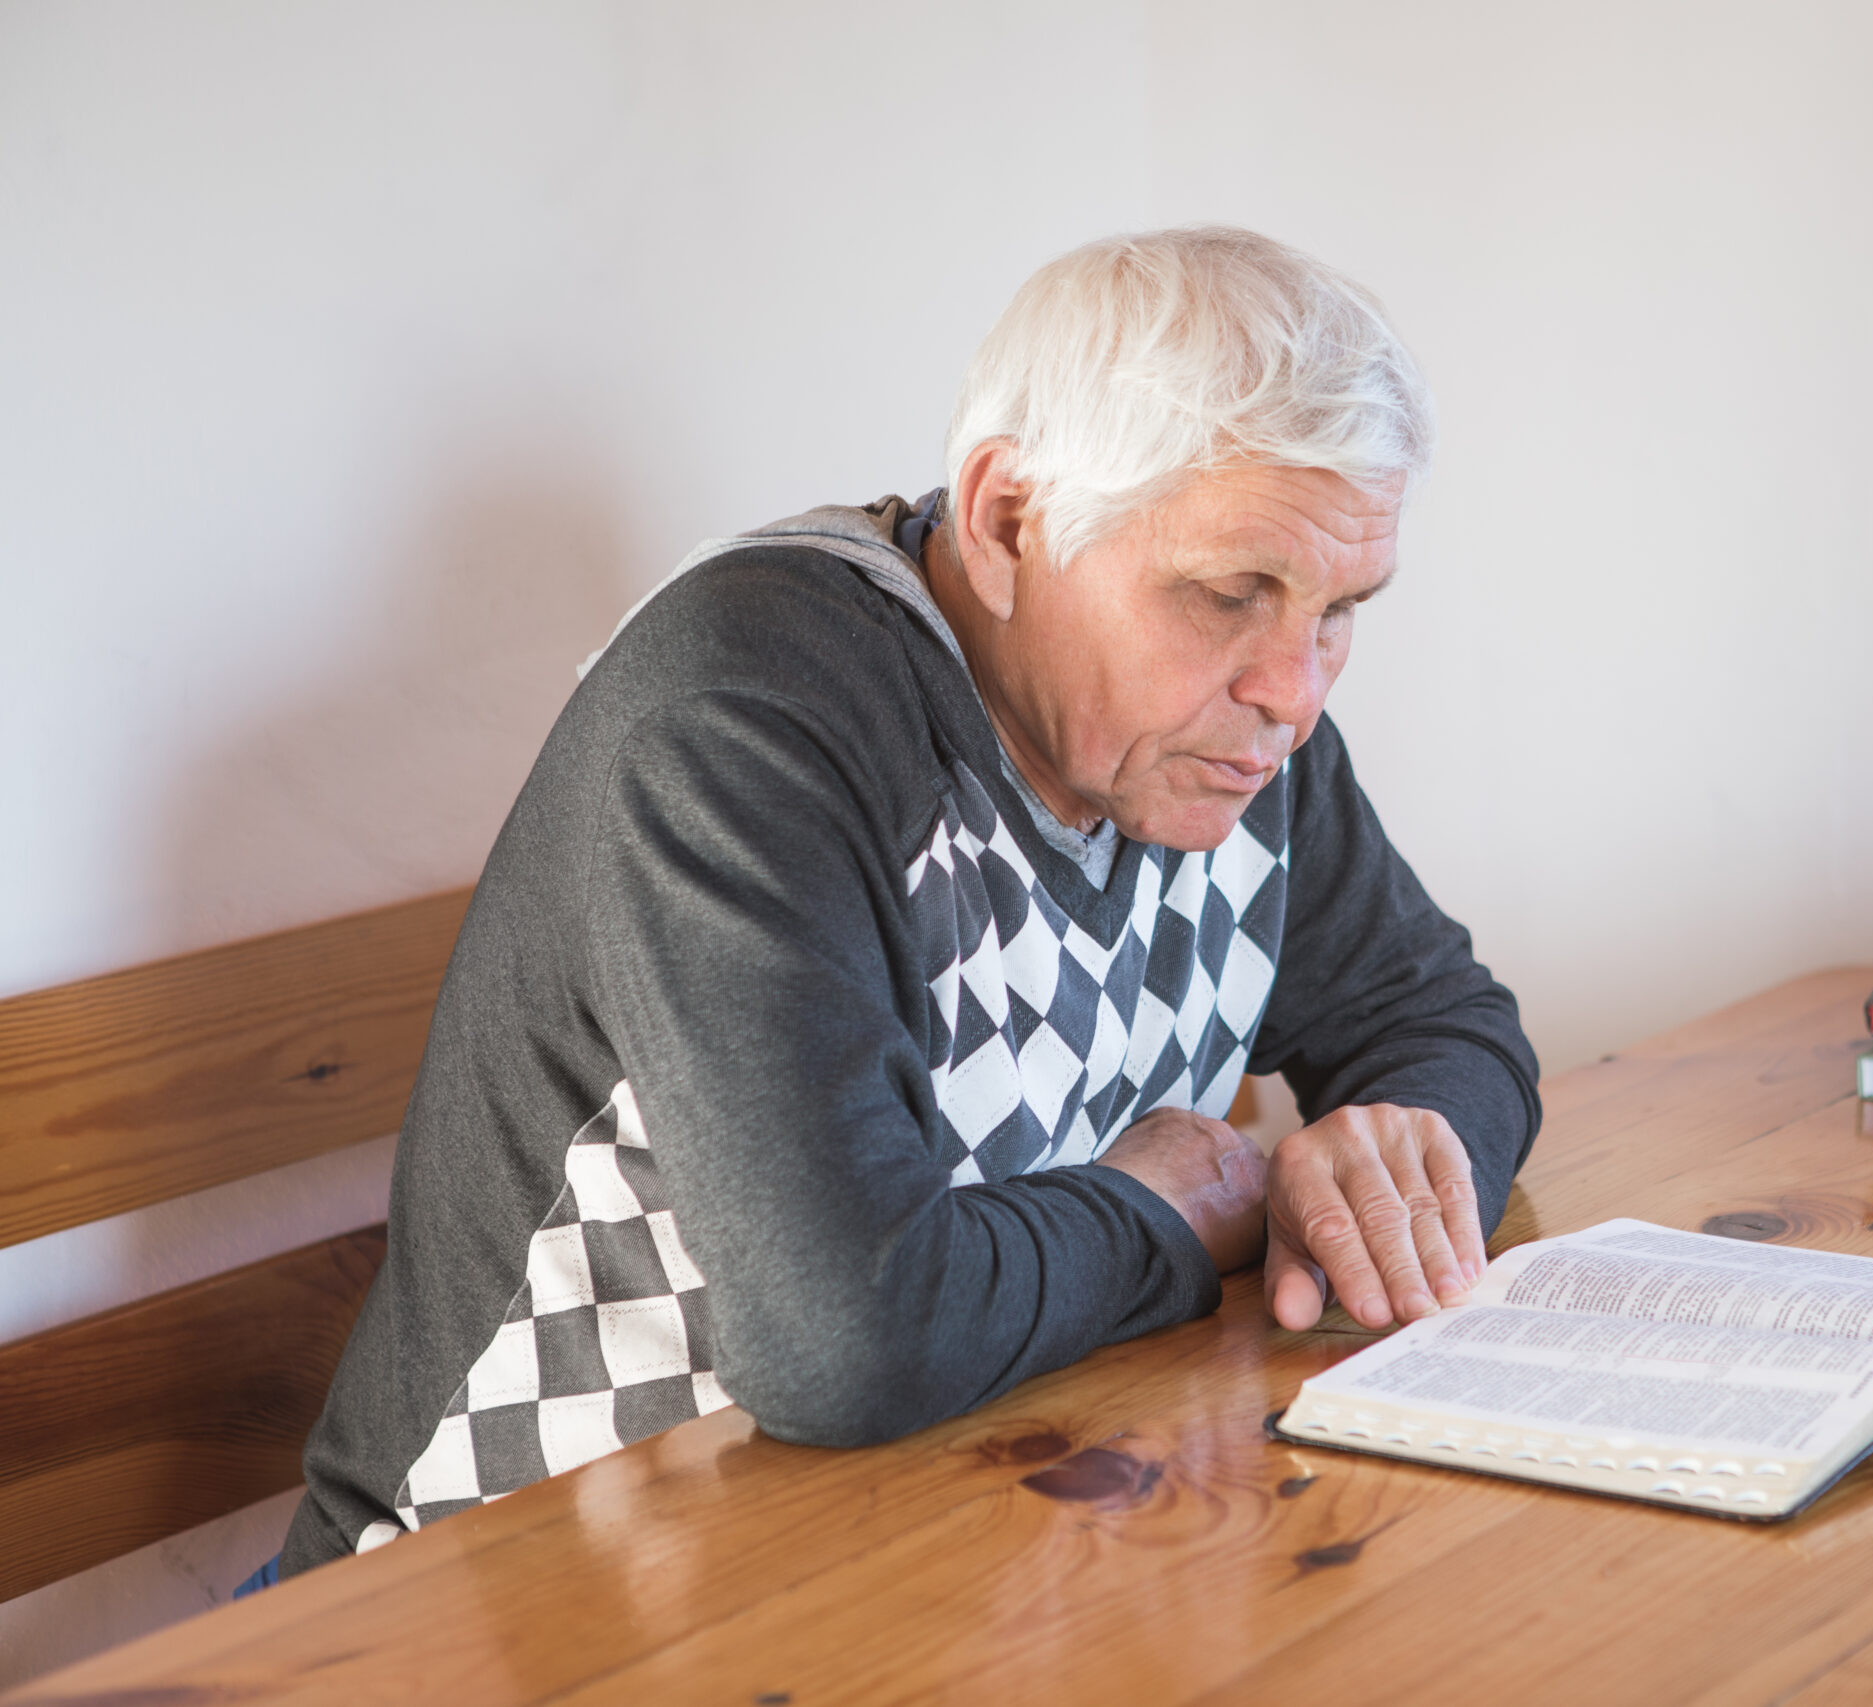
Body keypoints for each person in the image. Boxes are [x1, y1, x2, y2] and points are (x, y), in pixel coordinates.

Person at [281, 225, 1540, 1573]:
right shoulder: (749, 716)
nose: (1296, 688)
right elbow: (847, 1335)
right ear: (1009, 519)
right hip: (486, 1600)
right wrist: (1167, 1211)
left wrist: (1397, 1149)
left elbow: (1443, 1017)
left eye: (1340, 607)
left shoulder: (1222, 734)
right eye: (1231, 593)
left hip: (931, 1556)